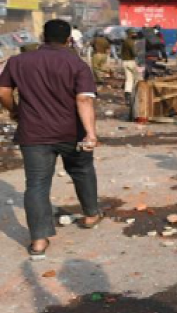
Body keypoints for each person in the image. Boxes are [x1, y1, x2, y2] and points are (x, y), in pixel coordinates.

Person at [0, 19, 101, 259]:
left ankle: (38, 241)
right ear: (68, 39)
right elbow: (84, 99)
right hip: (70, 132)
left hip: (33, 133)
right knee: (82, 170)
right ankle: (90, 214)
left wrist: (13, 110)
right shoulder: (76, 64)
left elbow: (3, 91)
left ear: (43, 36)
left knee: (36, 184)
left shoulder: (18, 61)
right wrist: (91, 132)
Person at [120, 28, 139, 102]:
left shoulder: (125, 41)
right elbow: (134, 53)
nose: (135, 34)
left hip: (125, 62)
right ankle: (136, 96)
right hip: (132, 62)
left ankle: (127, 98)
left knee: (129, 80)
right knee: (137, 79)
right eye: (134, 33)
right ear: (130, 34)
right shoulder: (131, 42)